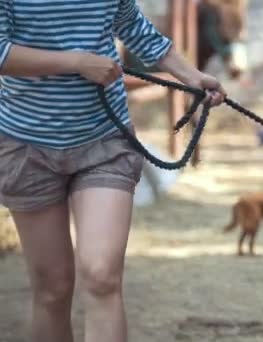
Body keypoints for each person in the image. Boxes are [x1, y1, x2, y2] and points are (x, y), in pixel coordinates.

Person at [0, 1, 225, 342]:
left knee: (102, 275)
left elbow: (134, 27)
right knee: (52, 290)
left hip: (104, 139)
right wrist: (76, 62)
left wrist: (193, 77)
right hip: (27, 144)